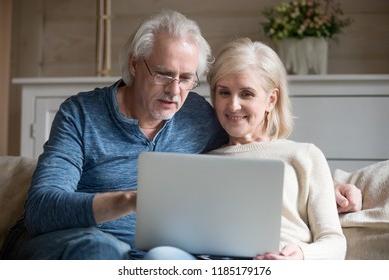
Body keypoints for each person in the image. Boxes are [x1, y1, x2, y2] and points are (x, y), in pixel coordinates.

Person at [0, 10, 358, 260]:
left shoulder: (199, 117)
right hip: (69, 246)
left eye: (187, 78)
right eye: (163, 74)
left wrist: (332, 183)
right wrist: (130, 200)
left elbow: (259, 149)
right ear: (134, 65)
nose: (175, 90)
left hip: (150, 258)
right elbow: (41, 209)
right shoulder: (81, 114)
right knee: (104, 250)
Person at [146, 38, 347, 260]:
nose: (233, 105)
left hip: (274, 263)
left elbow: (335, 241)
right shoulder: (200, 161)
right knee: (160, 255)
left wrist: (300, 254)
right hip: (210, 263)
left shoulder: (303, 156)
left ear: (271, 100)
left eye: (247, 94)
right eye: (224, 93)